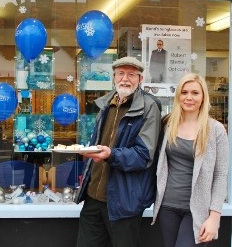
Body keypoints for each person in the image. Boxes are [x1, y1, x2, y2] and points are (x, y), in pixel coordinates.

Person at [74, 56, 162, 247]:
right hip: (93, 197)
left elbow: (144, 155)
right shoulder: (105, 105)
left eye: (132, 74)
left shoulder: (148, 108)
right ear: (113, 77)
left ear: (140, 79)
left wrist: (111, 155)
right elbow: (97, 144)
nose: (125, 78)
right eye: (121, 73)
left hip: (124, 202)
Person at [152, 73, 229, 246]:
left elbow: (221, 175)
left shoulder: (216, 130)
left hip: (197, 210)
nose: (189, 97)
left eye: (195, 93)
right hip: (167, 207)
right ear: (178, 95)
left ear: (203, 97)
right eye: (184, 92)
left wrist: (215, 216)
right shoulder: (168, 124)